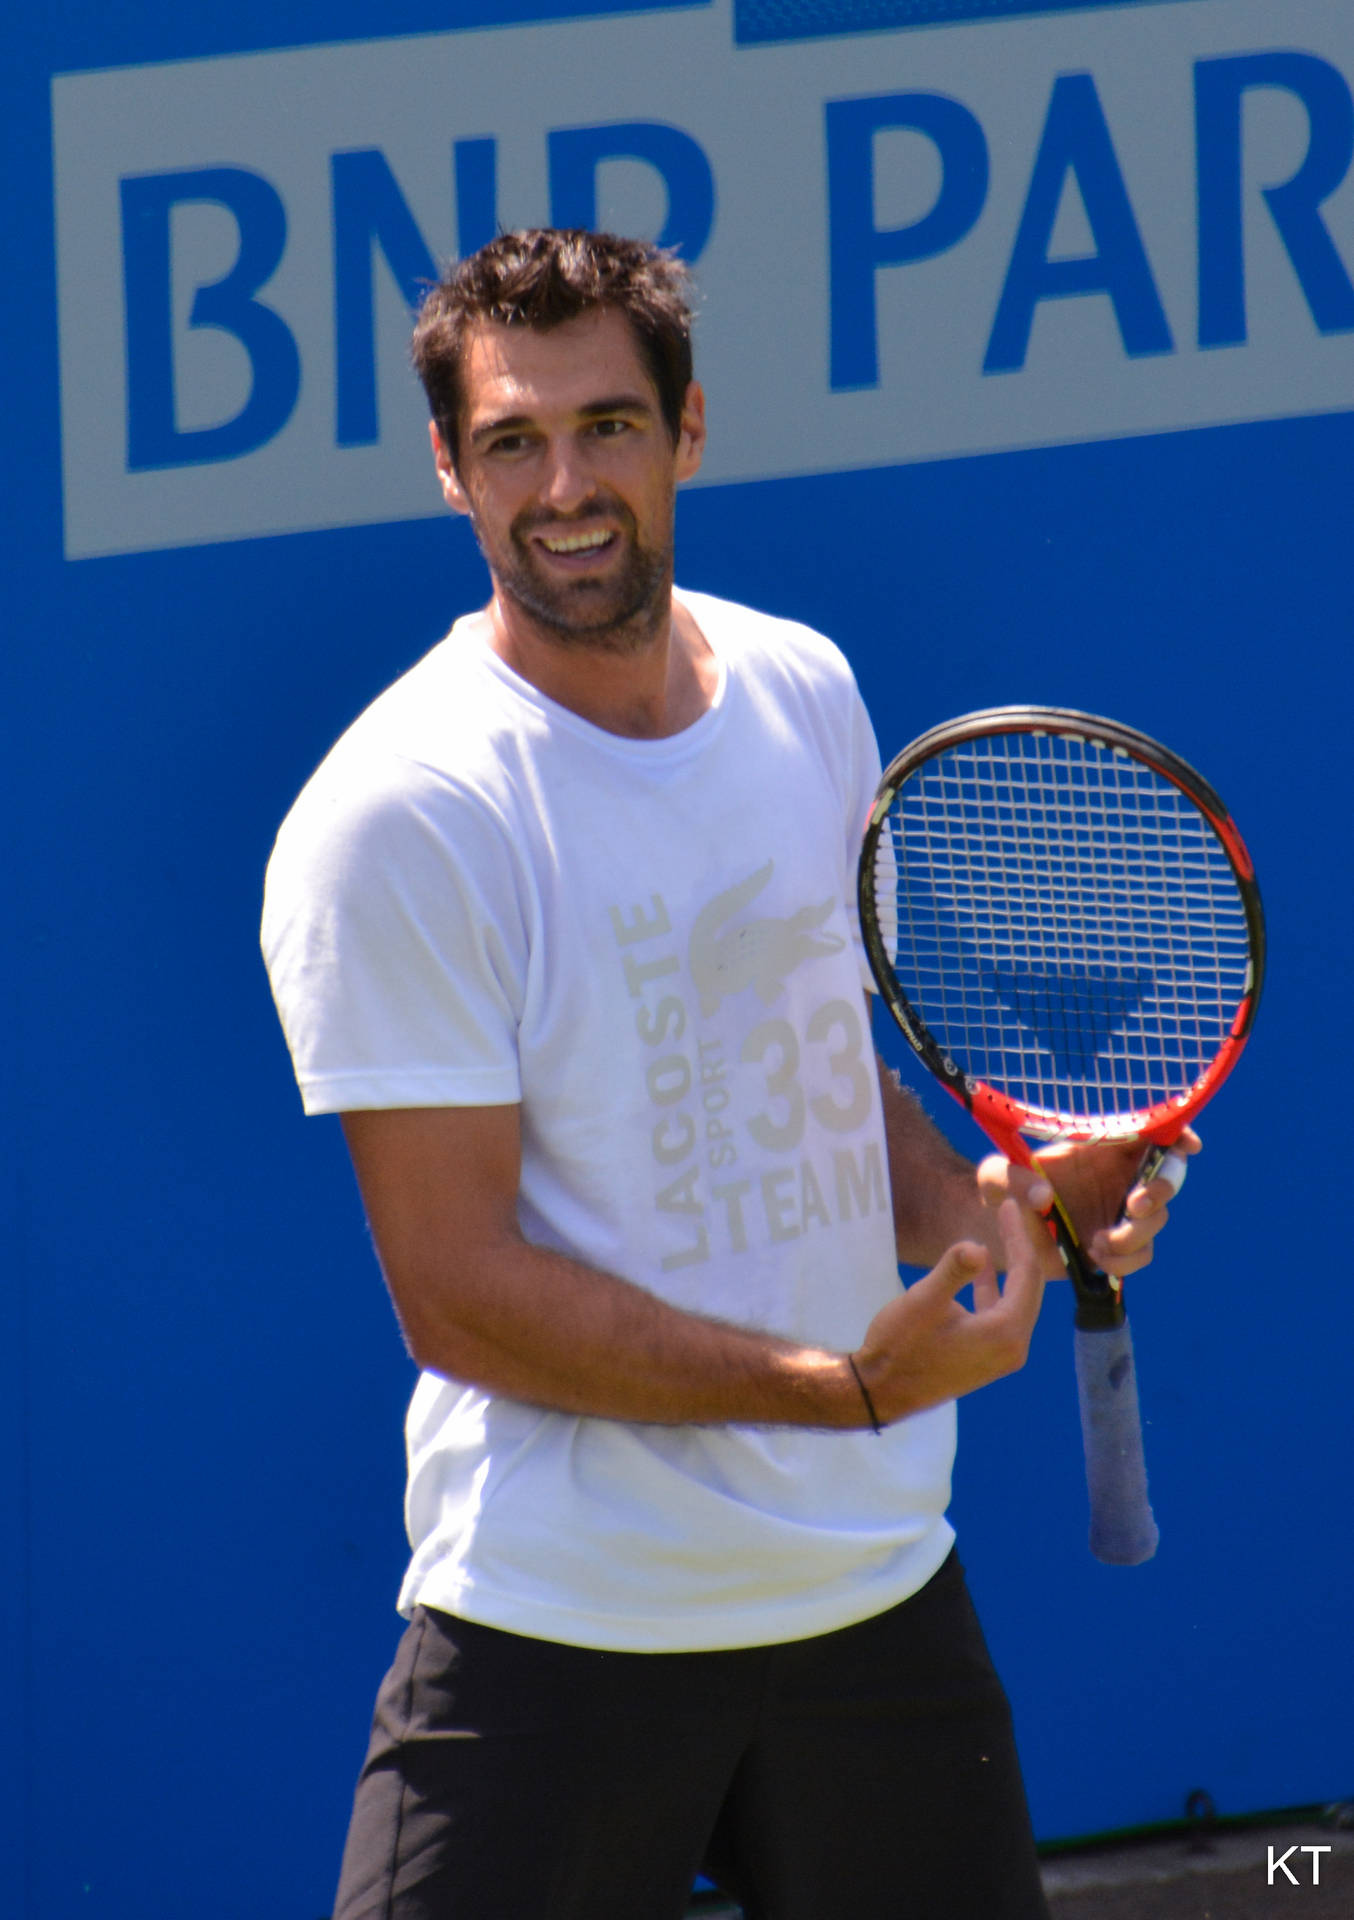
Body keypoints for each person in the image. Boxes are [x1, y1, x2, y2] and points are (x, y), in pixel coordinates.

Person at [261, 228, 1191, 1920]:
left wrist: (1003, 1201)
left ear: (689, 432)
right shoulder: (401, 814)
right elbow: (458, 1295)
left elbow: (836, 1088)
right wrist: (842, 1388)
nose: (564, 485)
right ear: (448, 475)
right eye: (511, 443)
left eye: (609, 426)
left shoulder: (803, 690)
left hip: (872, 1600)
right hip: (559, 1624)